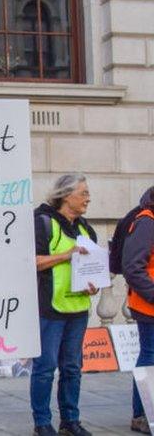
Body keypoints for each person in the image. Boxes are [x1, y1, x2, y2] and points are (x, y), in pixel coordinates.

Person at [30, 173, 100, 436]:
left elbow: (93, 267)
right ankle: (42, 423)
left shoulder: (85, 228)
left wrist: (94, 284)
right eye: (83, 193)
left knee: (72, 368)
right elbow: (32, 261)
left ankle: (70, 420)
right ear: (66, 195)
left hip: (78, 309)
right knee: (45, 368)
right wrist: (65, 256)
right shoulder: (43, 223)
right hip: (50, 308)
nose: (88, 198)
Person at [122, 186, 154, 434]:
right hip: (149, 305)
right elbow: (133, 267)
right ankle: (141, 414)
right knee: (149, 358)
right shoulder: (146, 222)